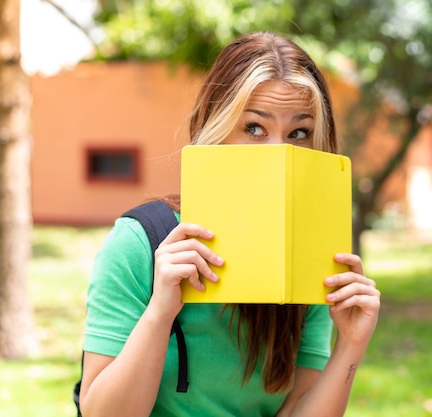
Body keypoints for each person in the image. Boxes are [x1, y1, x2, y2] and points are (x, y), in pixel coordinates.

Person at [79, 31, 380, 417]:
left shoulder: (313, 257)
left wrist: (351, 345)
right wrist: (161, 311)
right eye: (254, 128)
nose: (278, 152)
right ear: (214, 128)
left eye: (299, 132)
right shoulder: (140, 244)